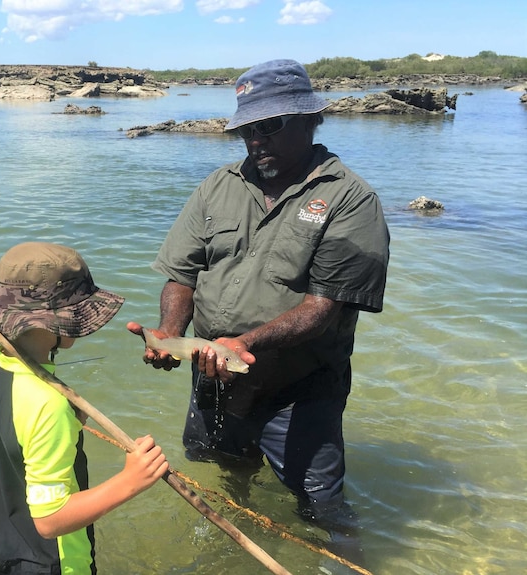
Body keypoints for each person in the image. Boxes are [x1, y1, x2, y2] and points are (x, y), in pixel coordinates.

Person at [127, 59, 389, 547]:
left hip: (300, 388)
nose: (256, 140)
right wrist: (169, 331)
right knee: (225, 479)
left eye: (270, 126)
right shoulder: (219, 185)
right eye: (247, 128)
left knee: (322, 507)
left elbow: (322, 309)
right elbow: (183, 273)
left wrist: (242, 344)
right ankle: (234, 548)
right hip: (213, 375)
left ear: (310, 120)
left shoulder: (350, 200)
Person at [0, 242, 169, 575]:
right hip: (55, 565)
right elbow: (50, 519)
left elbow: (12, 445)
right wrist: (131, 480)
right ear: (57, 322)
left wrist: (68, 423)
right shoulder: (47, 402)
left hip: (5, 551)